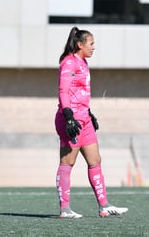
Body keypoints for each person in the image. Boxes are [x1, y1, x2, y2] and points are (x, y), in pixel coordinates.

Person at [54, 26, 128, 218]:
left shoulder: (84, 62)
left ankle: (104, 206)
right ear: (80, 44)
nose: (94, 47)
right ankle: (65, 210)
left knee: (95, 161)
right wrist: (69, 116)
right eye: (91, 43)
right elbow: (63, 92)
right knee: (67, 162)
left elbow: (79, 93)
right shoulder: (69, 62)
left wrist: (89, 113)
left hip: (84, 119)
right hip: (71, 120)